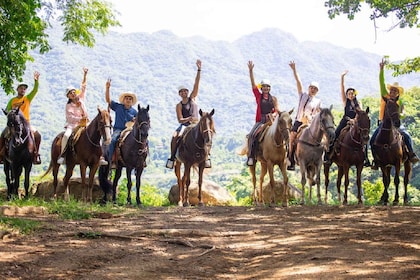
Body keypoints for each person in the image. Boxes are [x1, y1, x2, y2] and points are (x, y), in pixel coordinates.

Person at [370, 59, 419, 169]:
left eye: (394, 91)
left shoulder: (400, 101)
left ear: (398, 93)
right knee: (372, 140)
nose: (392, 92)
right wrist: (381, 70)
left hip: (396, 124)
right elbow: (381, 83)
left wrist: (400, 115)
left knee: (406, 135)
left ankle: (411, 154)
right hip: (383, 123)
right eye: (391, 90)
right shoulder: (385, 96)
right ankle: (375, 160)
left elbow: (403, 112)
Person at [166, 59, 211, 169]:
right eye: (181, 92)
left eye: (185, 91)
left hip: (195, 125)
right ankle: (172, 158)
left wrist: (199, 70)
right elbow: (180, 120)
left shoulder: (193, 98)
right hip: (185, 125)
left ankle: (207, 157)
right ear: (179, 94)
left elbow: (196, 85)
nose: (184, 93)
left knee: (207, 134)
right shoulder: (179, 105)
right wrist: (188, 119)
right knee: (175, 136)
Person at [57, 67, 107, 165]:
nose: (73, 94)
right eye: (70, 93)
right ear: (68, 96)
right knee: (66, 136)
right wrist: (80, 118)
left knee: (96, 134)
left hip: (85, 124)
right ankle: (62, 155)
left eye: (73, 92)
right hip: (73, 125)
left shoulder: (81, 99)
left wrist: (85, 75)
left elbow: (83, 86)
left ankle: (100, 156)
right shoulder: (68, 106)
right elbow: (70, 118)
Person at [324, 70, 370, 166]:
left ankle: (366, 158)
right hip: (345, 120)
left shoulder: (359, 103)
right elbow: (342, 88)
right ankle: (328, 156)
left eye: (352, 93)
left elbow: (360, 113)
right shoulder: (346, 101)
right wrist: (342, 78)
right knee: (334, 135)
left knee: (364, 137)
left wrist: (355, 120)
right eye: (349, 93)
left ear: (355, 94)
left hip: (356, 122)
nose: (350, 95)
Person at [0, 71, 42, 164]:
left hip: (26, 123)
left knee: (38, 135)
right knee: (3, 135)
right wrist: (11, 113)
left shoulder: (27, 98)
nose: (23, 90)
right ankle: (1, 155)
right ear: (17, 89)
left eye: (24, 89)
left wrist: (36, 81)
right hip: (14, 124)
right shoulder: (12, 100)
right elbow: (7, 111)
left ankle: (36, 154)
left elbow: (35, 90)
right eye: (21, 88)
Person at [287, 61, 322, 171]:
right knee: (291, 138)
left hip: (310, 124)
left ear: (317, 91)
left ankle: (321, 158)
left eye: (315, 89)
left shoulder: (318, 101)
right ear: (309, 88)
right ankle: (290, 159)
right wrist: (294, 70)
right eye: (311, 88)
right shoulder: (302, 95)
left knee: (321, 139)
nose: (313, 90)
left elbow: (318, 113)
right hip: (299, 121)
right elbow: (298, 81)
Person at [245, 60, 280, 166]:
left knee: (283, 132)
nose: (266, 88)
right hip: (261, 120)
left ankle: (287, 156)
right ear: (262, 88)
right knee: (251, 135)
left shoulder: (273, 99)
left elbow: (277, 110)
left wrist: (273, 115)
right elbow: (253, 85)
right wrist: (251, 71)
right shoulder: (259, 96)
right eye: (264, 86)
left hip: (271, 120)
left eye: (267, 86)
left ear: (270, 88)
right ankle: (251, 156)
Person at [105, 78, 138, 166]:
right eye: (126, 98)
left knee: (142, 141)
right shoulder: (118, 107)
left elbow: (137, 123)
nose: (128, 100)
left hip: (130, 130)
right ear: (123, 100)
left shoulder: (134, 112)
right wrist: (107, 88)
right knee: (113, 140)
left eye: (130, 99)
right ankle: (111, 159)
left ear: (132, 101)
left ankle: (141, 160)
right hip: (119, 129)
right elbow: (108, 100)